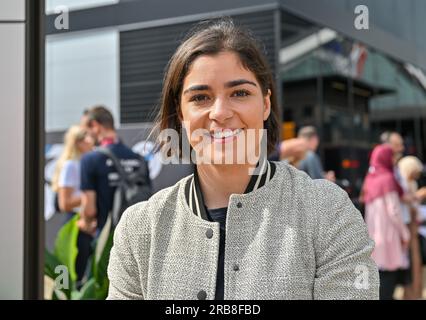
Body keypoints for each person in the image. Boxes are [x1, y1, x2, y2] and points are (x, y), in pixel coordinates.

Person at [107, 19, 379, 300]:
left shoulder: (326, 212)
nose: (220, 112)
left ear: (265, 104)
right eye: (201, 97)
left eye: (239, 93)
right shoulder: (141, 228)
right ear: (180, 113)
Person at [79, 106, 151, 235]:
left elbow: (89, 210)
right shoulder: (139, 159)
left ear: (95, 126)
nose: (86, 137)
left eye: (86, 132)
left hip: (107, 239)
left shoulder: (89, 159)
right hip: (136, 235)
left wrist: (84, 222)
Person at [362, 144, 410, 300]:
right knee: (389, 278)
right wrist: (405, 233)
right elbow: (394, 210)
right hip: (390, 236)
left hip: (374, 235)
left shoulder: (369, 179)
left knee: (380, 276)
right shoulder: (388, 179)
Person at [51, 125, 94, 281]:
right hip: (75, 226)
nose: (91, 140)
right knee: (73, 277)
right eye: (87, 137)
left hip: (88, 226)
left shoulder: (85, 163)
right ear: (78, 142)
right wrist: (89, 193)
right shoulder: (71, 165)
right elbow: (64, 203)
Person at [398, 156, 424, 299]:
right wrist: (417, 197)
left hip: (413, 230)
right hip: (406, 230)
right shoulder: (401, 183)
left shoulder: (411, 183)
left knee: (415, 264)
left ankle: (415, 293)